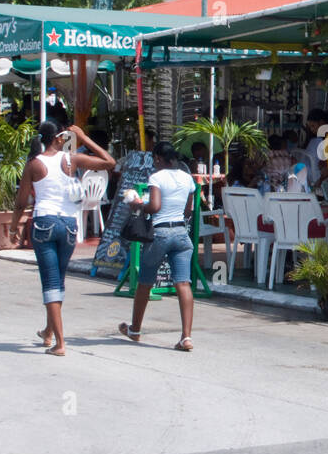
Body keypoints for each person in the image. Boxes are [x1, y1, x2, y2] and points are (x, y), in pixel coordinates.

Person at [11, 121, 116, 357]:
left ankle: (59, 343)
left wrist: (13, 227)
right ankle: (49, 331)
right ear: (59, 138)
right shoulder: (71, 160)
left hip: (44, 222)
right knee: (58, 279)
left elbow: (21, 201)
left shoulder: (33, 164)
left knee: (50, 283)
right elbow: (110, 163)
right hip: (69, 225)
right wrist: (84, 138)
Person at [118, 141, 199, 351]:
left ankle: (135, 329)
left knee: (145, 283)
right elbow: (188, 211)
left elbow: (154, 206)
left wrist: (138, 205)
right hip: (181, 233)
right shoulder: (187, 178)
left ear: (156, 159)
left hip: (160, 233)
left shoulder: (156, 177)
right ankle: (186, 337)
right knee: (183, 284)